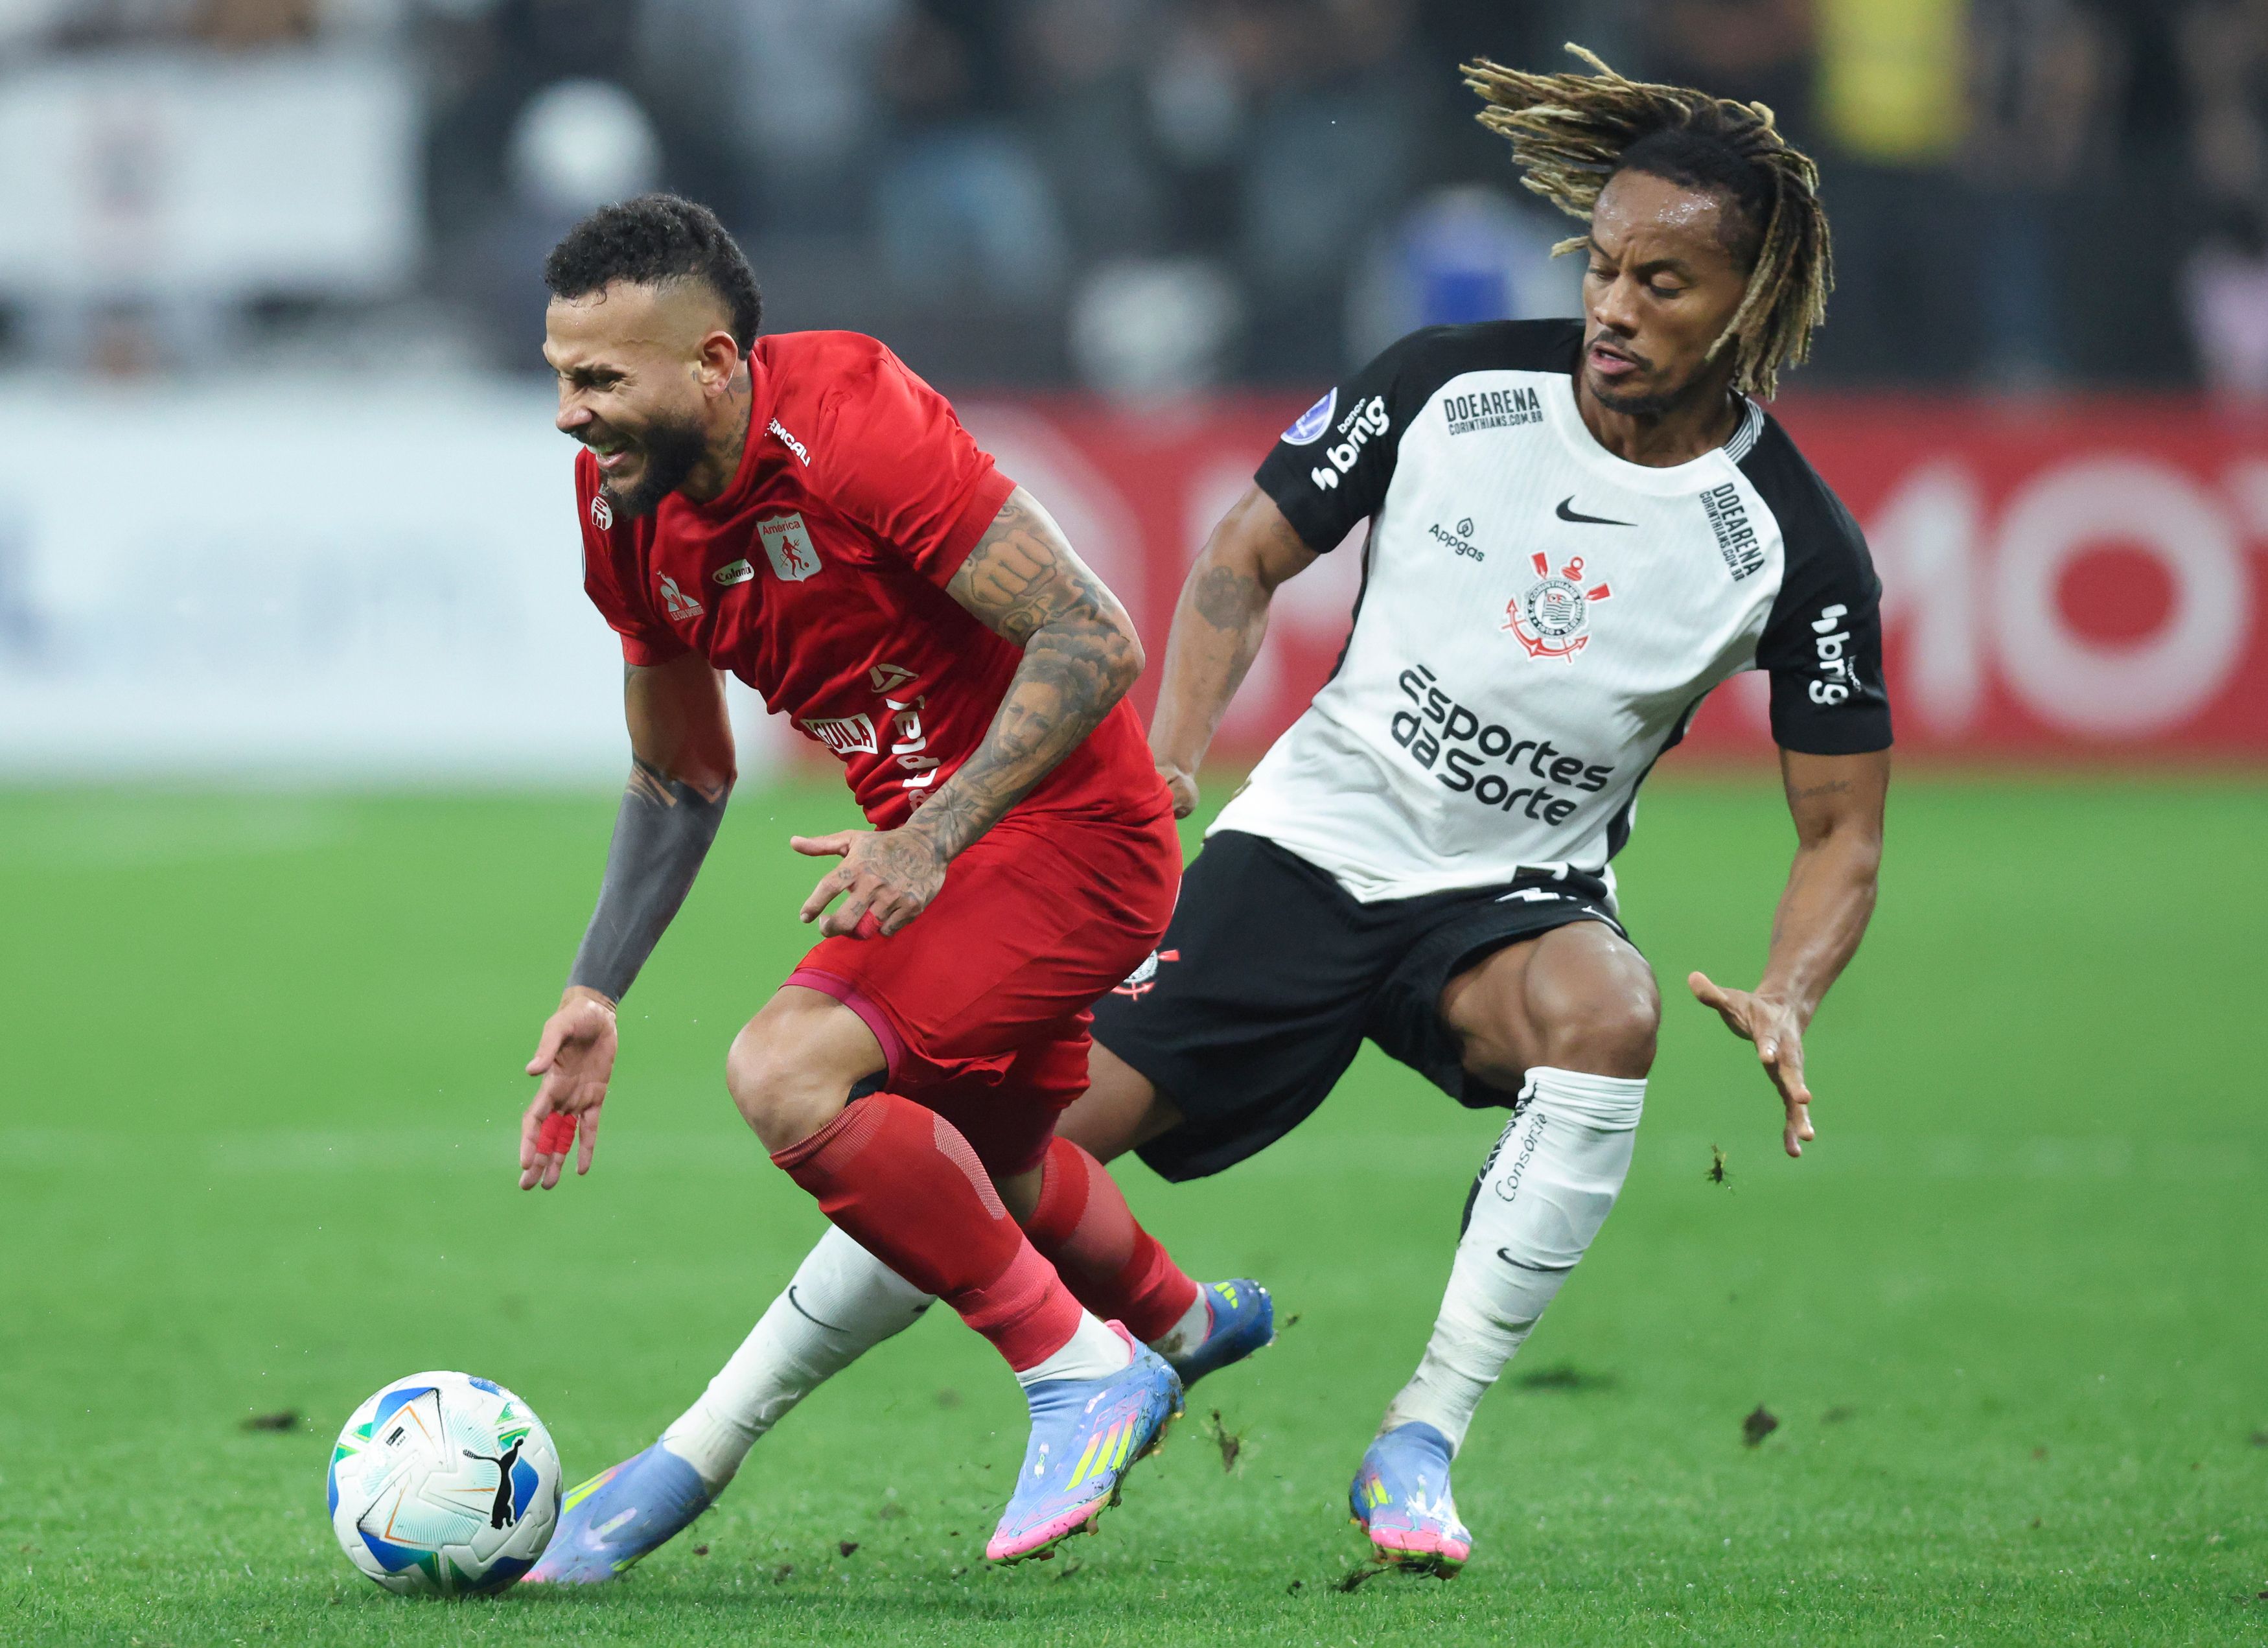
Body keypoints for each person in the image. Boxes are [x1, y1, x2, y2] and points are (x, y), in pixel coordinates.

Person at [553, 46, 1890, 1581]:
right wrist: (1172, 770)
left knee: (1611, 1010)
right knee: (987, 1154)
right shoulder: (1449, 382)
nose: (1613, 308)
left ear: (1750, 298)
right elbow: (1238, 560)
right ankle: (708, 1444)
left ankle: (1421, 1439)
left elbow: (1840, 828)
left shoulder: (1790, 540)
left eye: (1664, 283)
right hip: (1300, 849)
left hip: (1511, 901)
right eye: (1601, 267)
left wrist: (1788, 989)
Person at [507, 194, 1277, 1577]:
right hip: (939, 857)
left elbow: (1092, 634)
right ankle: (1177, 1324)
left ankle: (1073, 1371)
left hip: (1070, 838)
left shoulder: (854, 422)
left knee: (787, 1074)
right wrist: (596, 988)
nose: (571, 414)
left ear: (715, 364)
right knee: (992, 1168)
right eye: (561, 375)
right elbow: (681, 776)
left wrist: (934, 830)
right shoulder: (621, 512)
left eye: (601, 379)